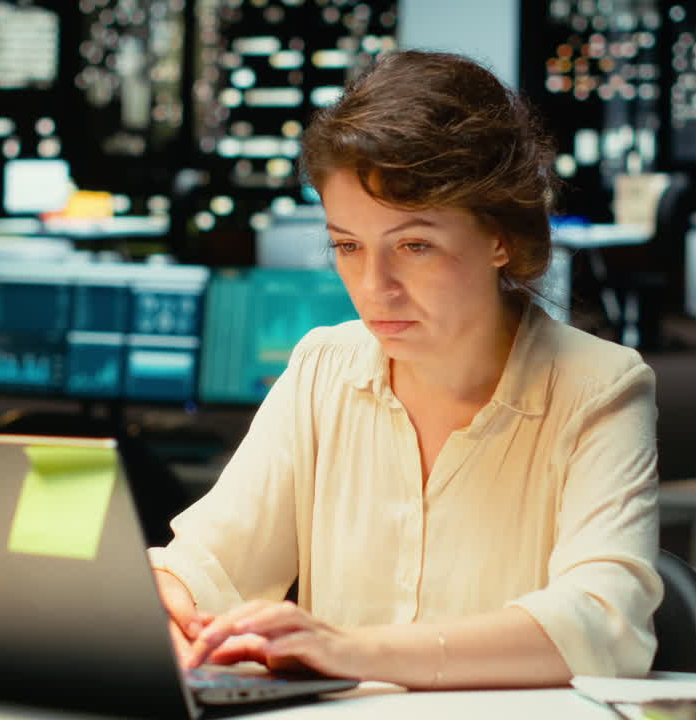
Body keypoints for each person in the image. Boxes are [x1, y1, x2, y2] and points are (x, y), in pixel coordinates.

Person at [148, 49, 663, 689]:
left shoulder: (599, 387)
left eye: (415, 245)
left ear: (501, 238)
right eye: (348, 245)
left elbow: (605, 627)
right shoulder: (322, 370)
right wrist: (168, 601)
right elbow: (206, 565)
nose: (374, 287)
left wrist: (352, 650)